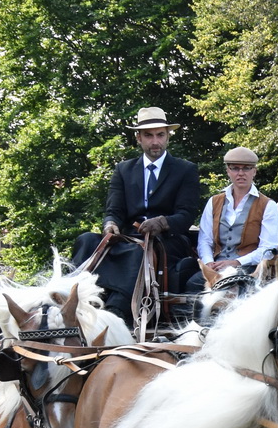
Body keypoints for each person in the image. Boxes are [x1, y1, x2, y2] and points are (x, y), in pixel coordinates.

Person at [72, 106, 204, 296]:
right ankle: (73, 297)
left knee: (138, 253)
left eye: (160, 135)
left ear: (168, 136)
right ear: (139, 138)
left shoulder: (185, 169)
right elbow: (114, 210)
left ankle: (117, 306)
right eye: (149, 136)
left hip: (167, 239)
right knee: (86, 240)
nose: (155, 142)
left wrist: (162, 222)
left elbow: (186, 214)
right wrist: (110, 224)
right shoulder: (123, 170)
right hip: (128, 236)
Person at [197, 147, 278, 273]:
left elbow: (268, 249)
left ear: (254, 171)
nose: (241, 173)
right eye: (235, 168)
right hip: (216, 266)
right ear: (228, 171)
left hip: (250, 268)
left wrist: (237, 262)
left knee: (235, 285)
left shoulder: (268, 205)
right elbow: (205, 240)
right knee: (191, 285)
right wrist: (209, 263)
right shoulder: (214, 202)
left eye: (246, 168)